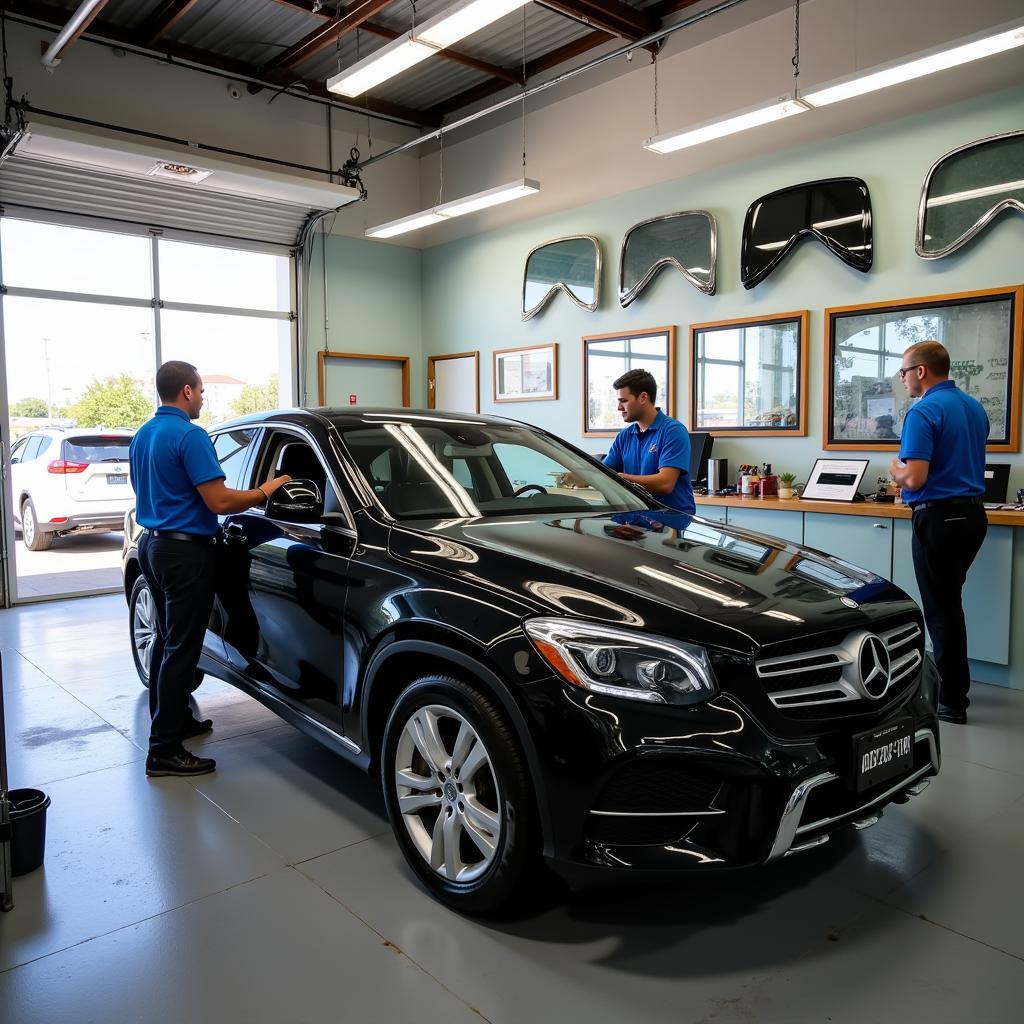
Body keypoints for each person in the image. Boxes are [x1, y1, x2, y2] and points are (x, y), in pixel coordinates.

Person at [130, 361, 291, 777]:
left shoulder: (143, 435)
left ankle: (175, 721)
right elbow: (219, 502)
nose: (203, 398)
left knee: (169, 643)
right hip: (185, 553)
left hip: (153, 545)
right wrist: (265, 491)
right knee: (182, 649)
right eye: (201, 391)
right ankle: (164, 749)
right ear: (186, 391)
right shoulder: (190, 435)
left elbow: (146, 490)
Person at [889, 341, 988, 725]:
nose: (904, 379)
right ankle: (956, 689)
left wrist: (895, 470)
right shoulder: (975, 408)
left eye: (904, 372)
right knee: (950, 605)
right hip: (973, 517)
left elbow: (914, 475)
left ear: (921, 372)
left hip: (938, 520)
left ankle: (950, 701)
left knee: (942, 611)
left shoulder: (924, 410)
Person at [603, 368, 695, 514]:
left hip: (670, 520)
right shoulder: (625, 436)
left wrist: (622, 479)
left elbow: (665, 483)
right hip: (636, 519)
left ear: (643, 397)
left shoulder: (673, 431)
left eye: (624, 401)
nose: (619, 407)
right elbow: (603, 473)